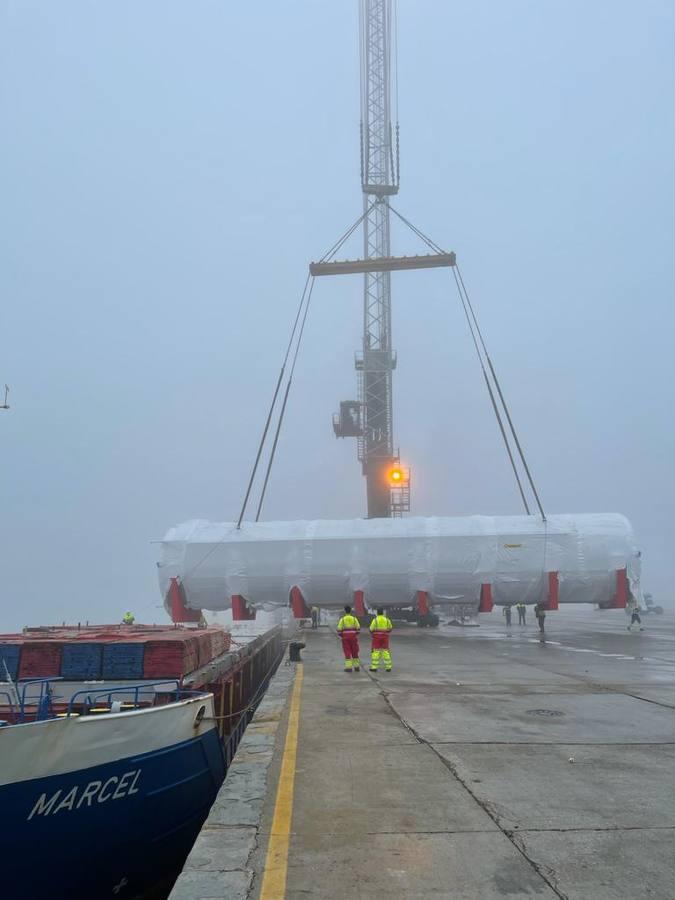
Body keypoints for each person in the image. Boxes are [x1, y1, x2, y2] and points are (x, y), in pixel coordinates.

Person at [336, 605, 361, 672]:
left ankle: (349, 668)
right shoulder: (354, 619)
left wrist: (342, 635)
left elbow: (339, 629)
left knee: (347, 652)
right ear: (350, 611)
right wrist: (355, 634)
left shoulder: (342, 619)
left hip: (345, 638)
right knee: (355, 652)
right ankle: (356, 667)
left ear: (345, 611)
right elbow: (358, 628)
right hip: (353, 637)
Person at [369, 607, 393, 672]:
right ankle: (388, 667)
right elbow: (390, 628)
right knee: (385, 651)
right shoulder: (387, 620)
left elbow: (371, 629)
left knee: (376, 652)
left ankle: (374, 667)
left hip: (376, 638)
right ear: (383, 613)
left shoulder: (375, 620)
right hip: (385, 638)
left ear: (377, 613)